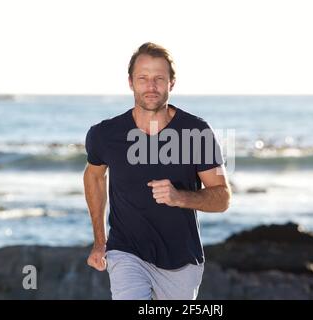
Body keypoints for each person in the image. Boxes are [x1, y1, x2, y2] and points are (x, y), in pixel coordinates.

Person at [83, 42, 231, 300]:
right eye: (143, 78)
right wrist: (100, 240)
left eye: (159, 79)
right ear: (130, 82)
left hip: (181, 261)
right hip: (126, 252)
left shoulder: (197, 133)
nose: (151, 87)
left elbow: (222, 198)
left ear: (171, 83)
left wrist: (180, 197)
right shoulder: (104, 135)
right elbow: (94, 177)